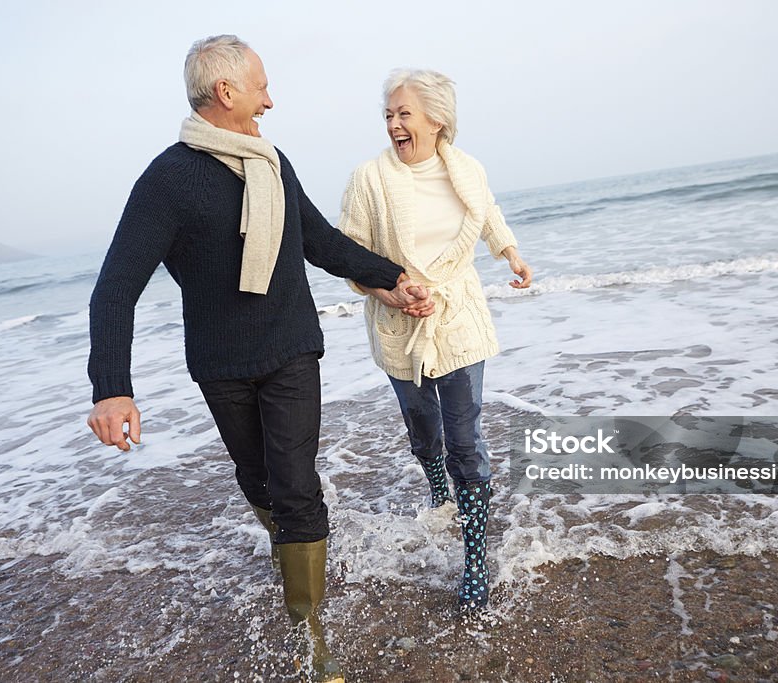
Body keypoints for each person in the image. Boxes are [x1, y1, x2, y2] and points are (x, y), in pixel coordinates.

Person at [86, 35, 431, 682]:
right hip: (221, 364)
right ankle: (292, 553)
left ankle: (309, 624)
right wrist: (112, 387)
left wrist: (390, 277)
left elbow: (320, 241)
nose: (270, 99)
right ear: (226, 93)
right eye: (261, 86)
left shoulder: (272, 163)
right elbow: (116, 287)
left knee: (296, 484)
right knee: (257, 479)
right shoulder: (167, 181)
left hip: (291, 348)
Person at [338, 69, 532, 611]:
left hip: (457, 315)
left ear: (436, 121)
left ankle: (475, 557)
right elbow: (348, 256)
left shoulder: (466, 169)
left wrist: (509, 251)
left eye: (404, 114)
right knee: (424, 432)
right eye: (389, 115)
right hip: (399, 321)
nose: (394, 124)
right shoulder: (369, 179)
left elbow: (486, 212)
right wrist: (393, 291)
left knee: (465, 439)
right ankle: (436, 485)